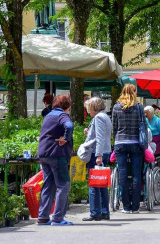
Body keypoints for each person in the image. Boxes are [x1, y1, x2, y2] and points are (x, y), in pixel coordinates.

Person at [37, 95, 74, 226]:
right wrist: (65, 138)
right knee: (64, 185)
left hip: (44, 153)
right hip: (56, 153)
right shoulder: (62, 115)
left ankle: (43, 217)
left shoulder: (48, 115)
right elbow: (69, 126)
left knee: (48, 185)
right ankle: (58, 218)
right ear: (67, 106)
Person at [112, 84, 143, 214]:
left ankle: (125, 206)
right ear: (133, 92)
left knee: (123, 175)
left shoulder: (116, 107)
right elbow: (143, 125)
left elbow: (114, 126)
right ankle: (135, 206)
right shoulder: (139, 108)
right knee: (136, 174)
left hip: (120, 142)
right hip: (135, 143)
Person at [83, 97, 112, 222]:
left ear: (93, 107)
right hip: (104, 151)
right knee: (102, 183)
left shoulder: (98, 118)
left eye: (88, 108)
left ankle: (95, 212)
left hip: (97, 153)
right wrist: (89, 132)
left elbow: (100, 137)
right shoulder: (105, 116)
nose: (88, 111)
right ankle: (104, 212)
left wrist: (98, 155)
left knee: (94, 183)